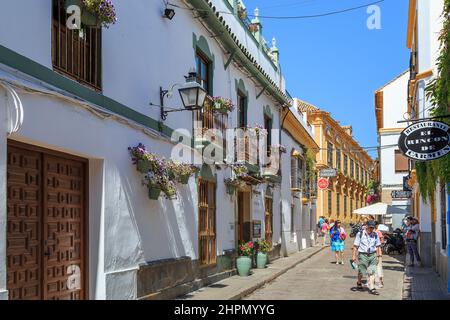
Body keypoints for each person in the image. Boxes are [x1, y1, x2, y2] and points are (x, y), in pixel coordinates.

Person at [352, 220, 382, 295]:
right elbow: (355, 246)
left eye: (372, 228)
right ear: (366, 226)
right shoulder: (360, 234)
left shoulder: (375, 235)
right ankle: (359, 282)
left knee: (372, 271)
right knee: (362, 271)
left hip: (372, 255)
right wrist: (353, 256)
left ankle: (372, 287)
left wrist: (378, 256)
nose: (371, 229)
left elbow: (378, 246)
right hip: (363, 255)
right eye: (370, 227)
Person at [374, 221, 385, 288]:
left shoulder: (378, 232)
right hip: (372, 252)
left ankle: (380, 281)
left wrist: (377, 243)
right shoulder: (370, 232)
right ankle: (374, 281)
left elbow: (382, 241)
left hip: (377, 252)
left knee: (378, 267)